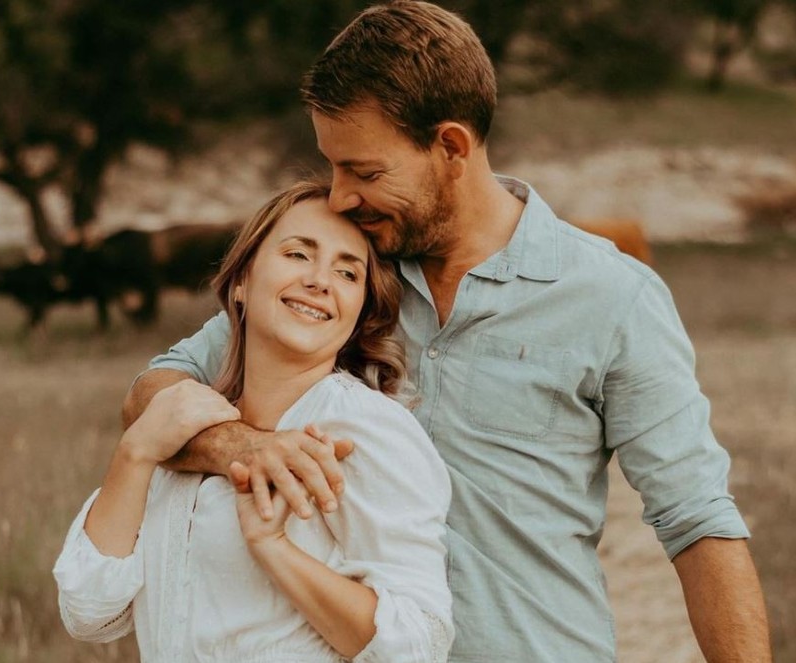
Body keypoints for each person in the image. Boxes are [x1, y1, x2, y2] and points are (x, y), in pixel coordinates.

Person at [124, 2, 772, 661]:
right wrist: (246, 447)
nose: (341, 197)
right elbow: (152, 394)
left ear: (452, 147)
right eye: (333, 166)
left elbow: (696, 523)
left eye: (365, 171)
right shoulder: (340, 277)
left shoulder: (614, 297)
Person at [54, 181, 454, 662]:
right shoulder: (188, 422)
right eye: (298, 254)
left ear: (360, 310)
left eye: (348, 273)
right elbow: (89, 614)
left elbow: (418, 643)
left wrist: (275, 548)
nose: (320, 281)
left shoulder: (366, 430)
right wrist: (136, 452)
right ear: (241, 280)